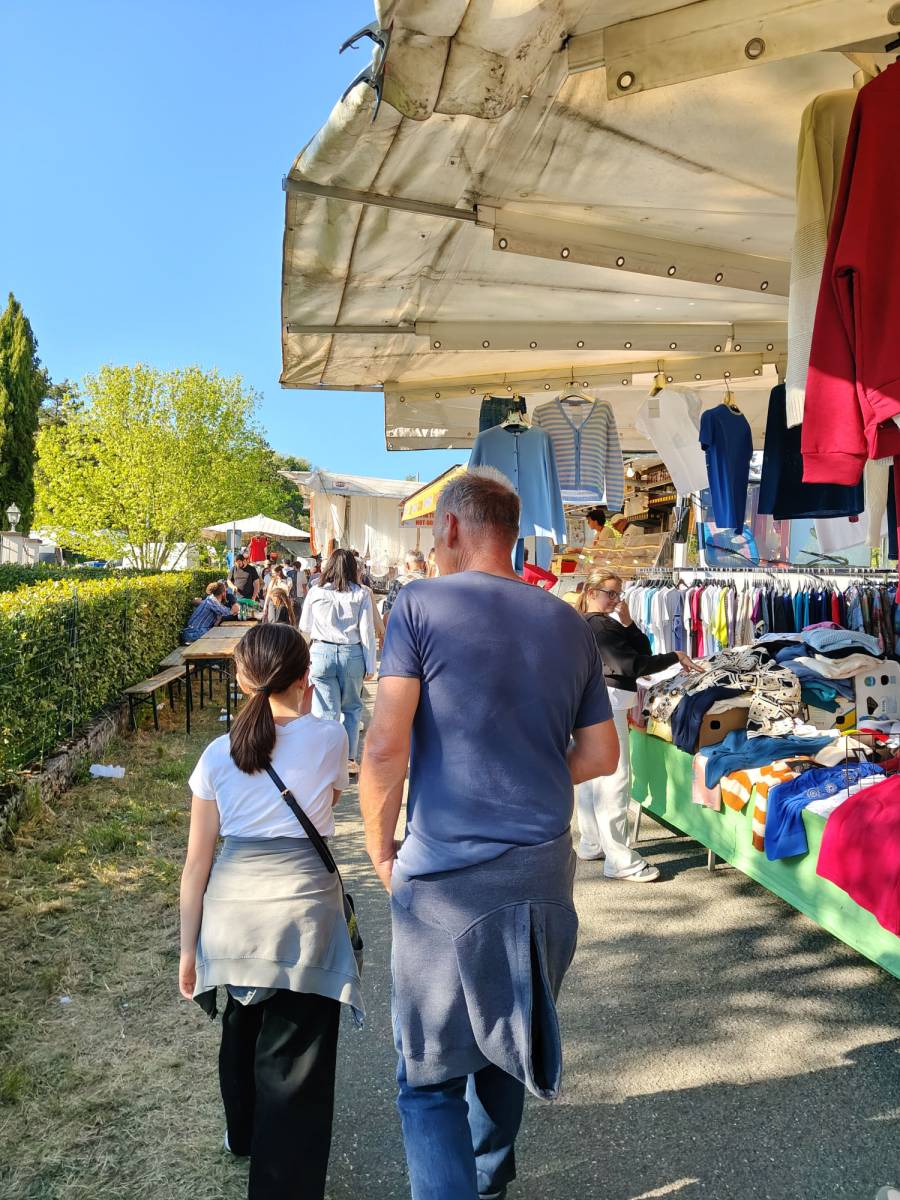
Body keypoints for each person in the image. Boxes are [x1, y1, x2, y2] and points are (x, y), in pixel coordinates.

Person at [359, 467, 617, 1200]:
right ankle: (489, 1180)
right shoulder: (568, 622)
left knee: (428, 1080)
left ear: (450, 527)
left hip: (447, 877)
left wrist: (379, 850)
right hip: (542, 874)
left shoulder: (420, 605)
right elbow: (602, 753)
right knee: (510, 1041)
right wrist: (532, 774)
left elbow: (385, 747)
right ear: (513, 532)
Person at [179, 623, 363, 1200]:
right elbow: (328, 803)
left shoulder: (216, 755)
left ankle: (243, 1133)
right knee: (296, 1060)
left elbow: (196, 863)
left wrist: (188, 949)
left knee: (241, 1024)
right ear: (306, 678)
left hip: (232, 916)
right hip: (303, 919)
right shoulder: (330, 738)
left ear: (240, 679)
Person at [573, 570, 701, 881]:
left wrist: (628, 621)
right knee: (614, 778)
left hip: (594, 700)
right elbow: (631, 664)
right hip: (609, 701)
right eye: (611, 593)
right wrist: (674, 656)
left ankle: (593, 842)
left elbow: (638, 651)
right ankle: (619, 859)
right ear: (592, 592)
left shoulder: (588, 622)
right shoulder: (600, 625)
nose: (616, 599)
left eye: (619, 593)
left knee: (593, 776)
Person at [299, 548, 376, 774]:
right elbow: (367, 631)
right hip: (352, 654)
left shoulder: (316, 592)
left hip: (321, 651)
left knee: (326, 711)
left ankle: (327, 760)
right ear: (353, 568)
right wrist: (370, 664)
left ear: (329, 566)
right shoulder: (361, 594)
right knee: (352, 708)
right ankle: (349, 760)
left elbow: (305, 626)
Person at [382, 549, 427, 621]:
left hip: (403, 625)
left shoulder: (398, 582)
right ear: (424, 564)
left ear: (407, 565)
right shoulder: (431, 582)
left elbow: (389, 612)